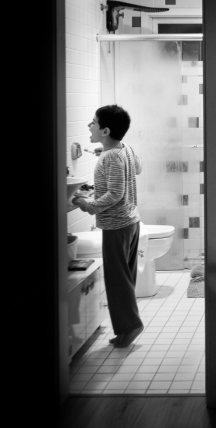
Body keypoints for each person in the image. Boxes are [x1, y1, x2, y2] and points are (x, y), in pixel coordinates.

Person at [72, 105, 144, 348]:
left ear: (105, 130)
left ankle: (130, 326)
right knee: (125, 277)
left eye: (93, 123)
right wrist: (103, 153)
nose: (88, 126)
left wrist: (88, 204)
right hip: (131, 223)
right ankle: (128, 325)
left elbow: (115, 193)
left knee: (117, 279)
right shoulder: (124, 149)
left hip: (117, 226)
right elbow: (137, 168)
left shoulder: (110, 156)